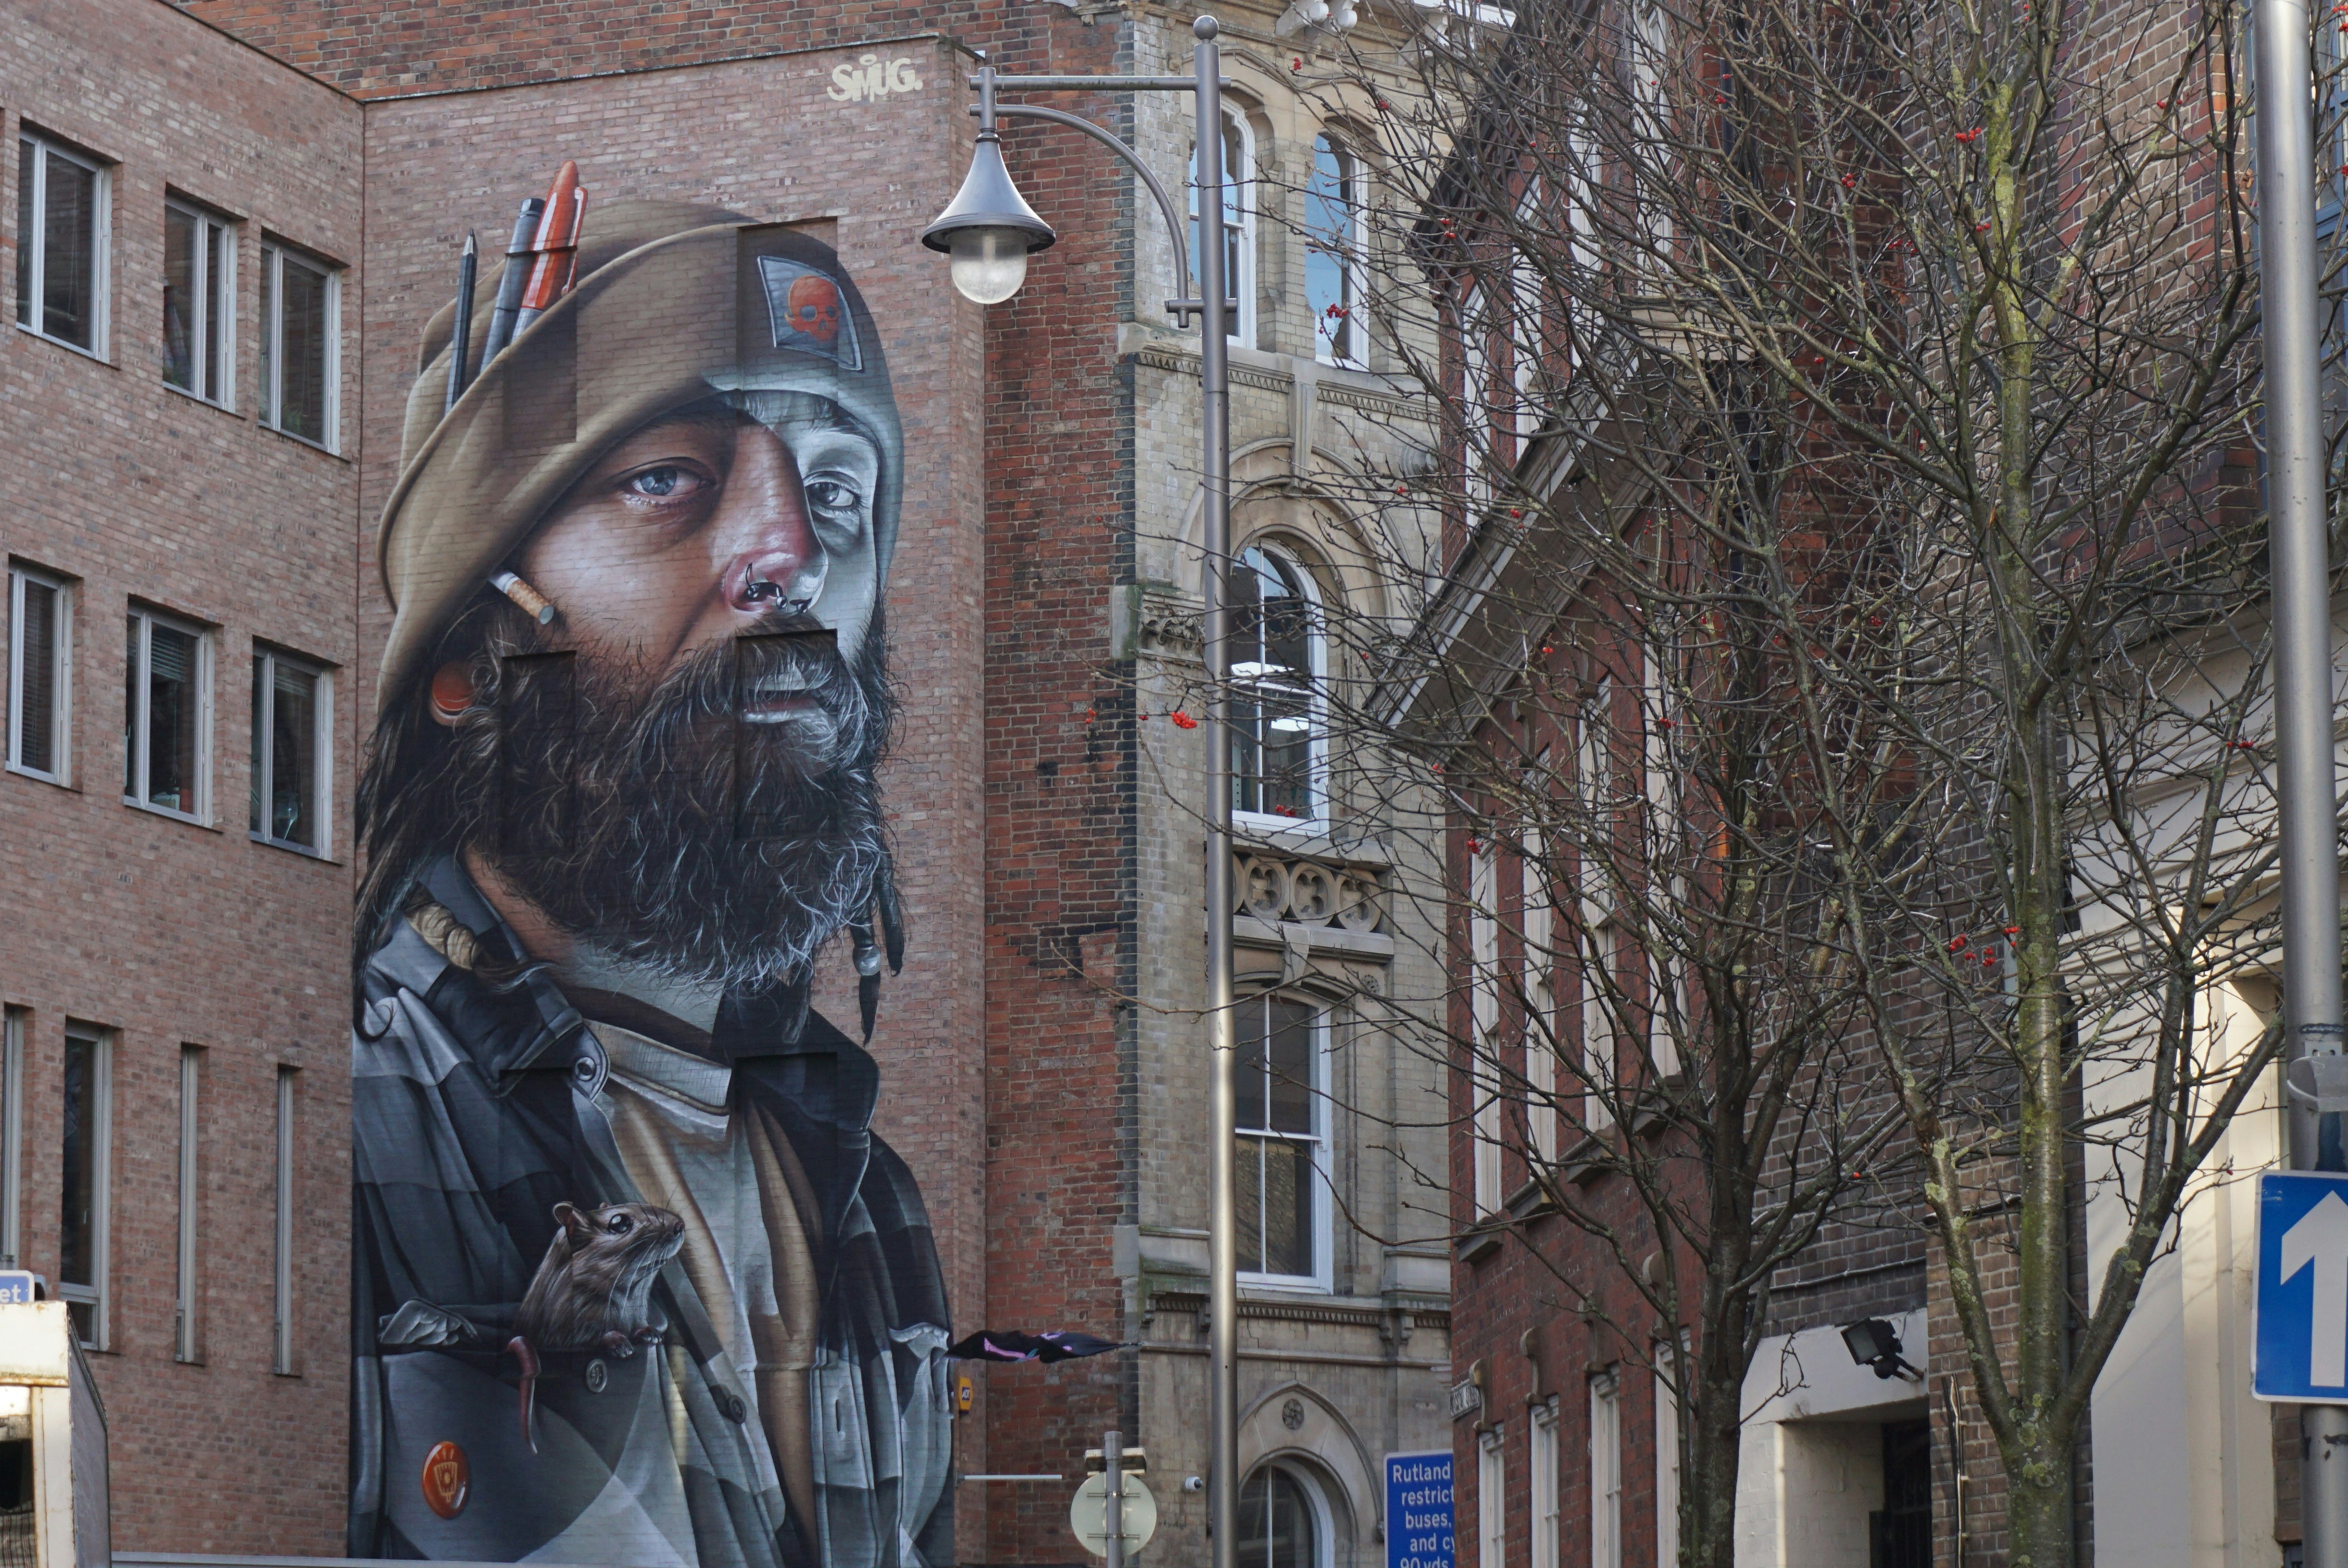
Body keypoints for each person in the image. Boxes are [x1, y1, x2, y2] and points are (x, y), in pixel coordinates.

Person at [347, 202, 951, 1568]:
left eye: (837, 494)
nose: (787, 553)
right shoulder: (367, 1118)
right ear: (467, 666)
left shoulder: (864, 1189)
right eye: (666, 481)